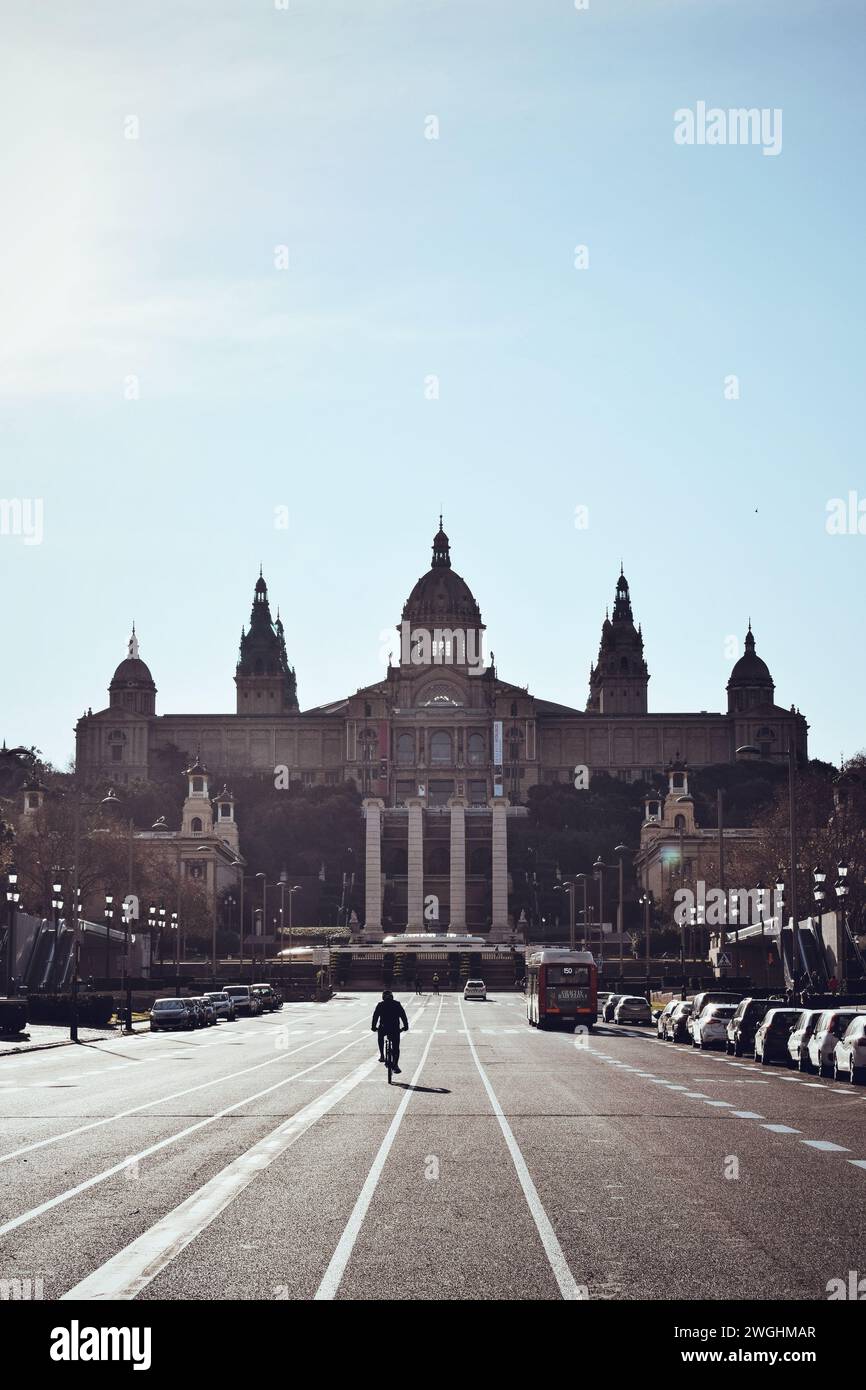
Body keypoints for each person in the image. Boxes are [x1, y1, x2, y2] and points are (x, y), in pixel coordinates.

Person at [371, 989, 408, 1073]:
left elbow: (375, 1017)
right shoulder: (397, 1004)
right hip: (395, 1029)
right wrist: (405, 1026)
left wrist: (373, 1027)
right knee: (396, 1048)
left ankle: (382, 1055)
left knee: (380, 1037)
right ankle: (395, 1065)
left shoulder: (380, 1005)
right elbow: (403, 1016)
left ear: (383, 997)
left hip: (383, 1028)